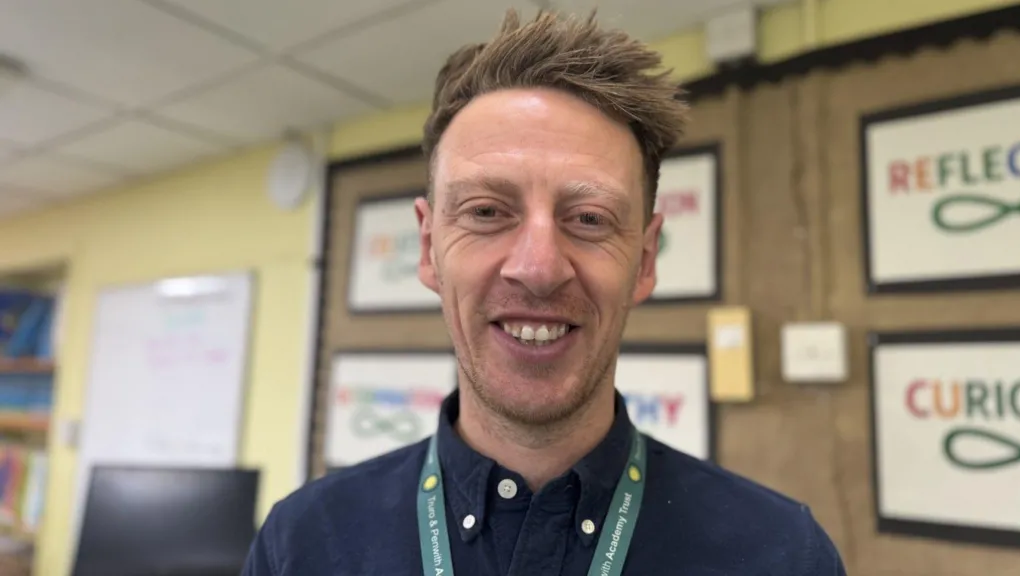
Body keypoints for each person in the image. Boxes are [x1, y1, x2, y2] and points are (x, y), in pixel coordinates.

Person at [244, 9, 847, 576]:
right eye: (486, 211)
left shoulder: (782, 555)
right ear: (429, 249)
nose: (538, 268)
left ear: (642, 260)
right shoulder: (301, 544)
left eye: (588, 218)